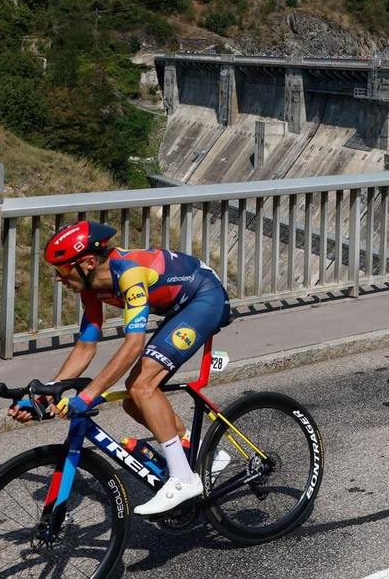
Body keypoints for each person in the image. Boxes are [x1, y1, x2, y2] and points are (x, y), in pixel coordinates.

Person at [15, 220, 233, 516]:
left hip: (204, 297)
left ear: (89, 262)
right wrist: (47, 393)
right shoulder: (90, 286)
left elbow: (133, 345)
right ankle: (204, 453)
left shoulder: (129, 273)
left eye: (64, 269)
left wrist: (88, 396)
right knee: (134, 402)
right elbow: (85, 347)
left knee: (141, 386)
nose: (57, 278)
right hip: (179, 306)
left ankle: (184, 478)